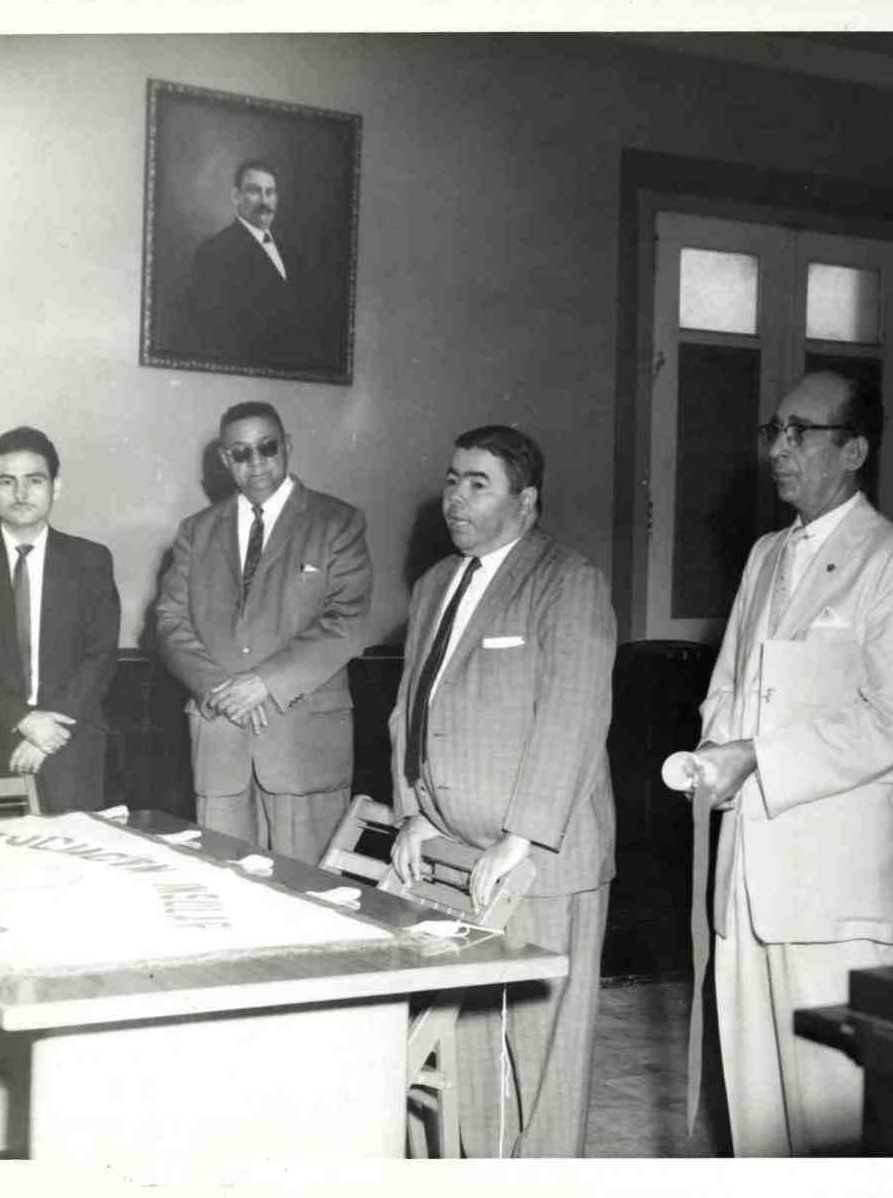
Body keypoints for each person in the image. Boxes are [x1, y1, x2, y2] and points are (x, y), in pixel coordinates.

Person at [681, 372, 893, 1156]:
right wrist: (713, 758)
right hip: (745, 870)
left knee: (836, 1113)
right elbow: (729, 685)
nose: (779, 448)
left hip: (832, 882)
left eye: (800, 433)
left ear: (855, 450)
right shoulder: (766, 556)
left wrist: (758, 758)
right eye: (775, 431)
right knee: (756, 1111)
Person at [387, 425, 616, 1157]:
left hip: (540, 857)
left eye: (478, 483)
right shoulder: (435, 585)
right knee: (473, 1040)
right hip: (457, 852)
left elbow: (574, 713)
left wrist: (520, 839)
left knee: (545, 1055)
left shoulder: (567, 580)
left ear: (526, 500)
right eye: (452, 479)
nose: (455, 497)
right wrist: (416, 813)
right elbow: (409, 709)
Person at [156, 401, 372, 865]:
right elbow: (170, 621)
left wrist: (264, 683)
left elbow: (347, 621)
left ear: (287, 446)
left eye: (267, 448)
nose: (255, 463)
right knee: (223, 883)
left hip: (302, 744)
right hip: (220, 735)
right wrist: (219, 689)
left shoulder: (337, 522)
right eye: (240, 453)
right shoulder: (196, 531)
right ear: (224, 459)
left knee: (308, 889)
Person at [0, 426, 120, 811]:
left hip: (69, 748)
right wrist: (23, 720)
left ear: (55, 487)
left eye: (34, 480)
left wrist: (48, 733)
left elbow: (100, 655)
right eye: (6, 481)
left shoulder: (91, 561)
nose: (20, 493)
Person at [182, 159, 314, 366]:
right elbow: (211, 332)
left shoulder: (293, 256)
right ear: (236, 196)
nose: (265, 201)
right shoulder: (213, 252)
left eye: (270, 192)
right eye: (254, 191)